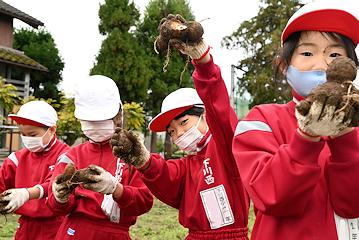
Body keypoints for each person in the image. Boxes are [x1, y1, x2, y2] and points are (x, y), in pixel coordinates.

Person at [109, 14, 249, 240]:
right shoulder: (188, 165)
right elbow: (165, 175)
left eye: (183, 122)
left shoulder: (227, 148)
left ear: (204, 115)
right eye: (172, 131)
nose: (179, 134)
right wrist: (143, 159)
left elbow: (218, 105)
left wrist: (202, 60)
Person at [231, 1, 359, 239]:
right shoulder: (260, 120)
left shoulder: (355, 125)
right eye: (307, 53)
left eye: (335, 54)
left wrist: (345, 138)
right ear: (284, 66)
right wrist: (306, 137)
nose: (322, 65)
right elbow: (271, 197)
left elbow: (353, 206)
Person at [46, 75, 153, 240]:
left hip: (116, 233)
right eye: (89, 121)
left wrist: (116, 189)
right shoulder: (70, 157)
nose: (95, 126)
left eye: (101, 120)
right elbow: (56, 208)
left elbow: (144, 202)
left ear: (118, 116)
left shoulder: (133, 155)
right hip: (74, 232)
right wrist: (60, 198)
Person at [0, 100, 70, 239]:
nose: (27, 139)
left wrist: (26, 194)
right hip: (25, 225)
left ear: (52, 129)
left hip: (55, 226)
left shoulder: (65, 155)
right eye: (23, 134)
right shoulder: (16, 159)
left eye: (32, 135)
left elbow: (54, 184)